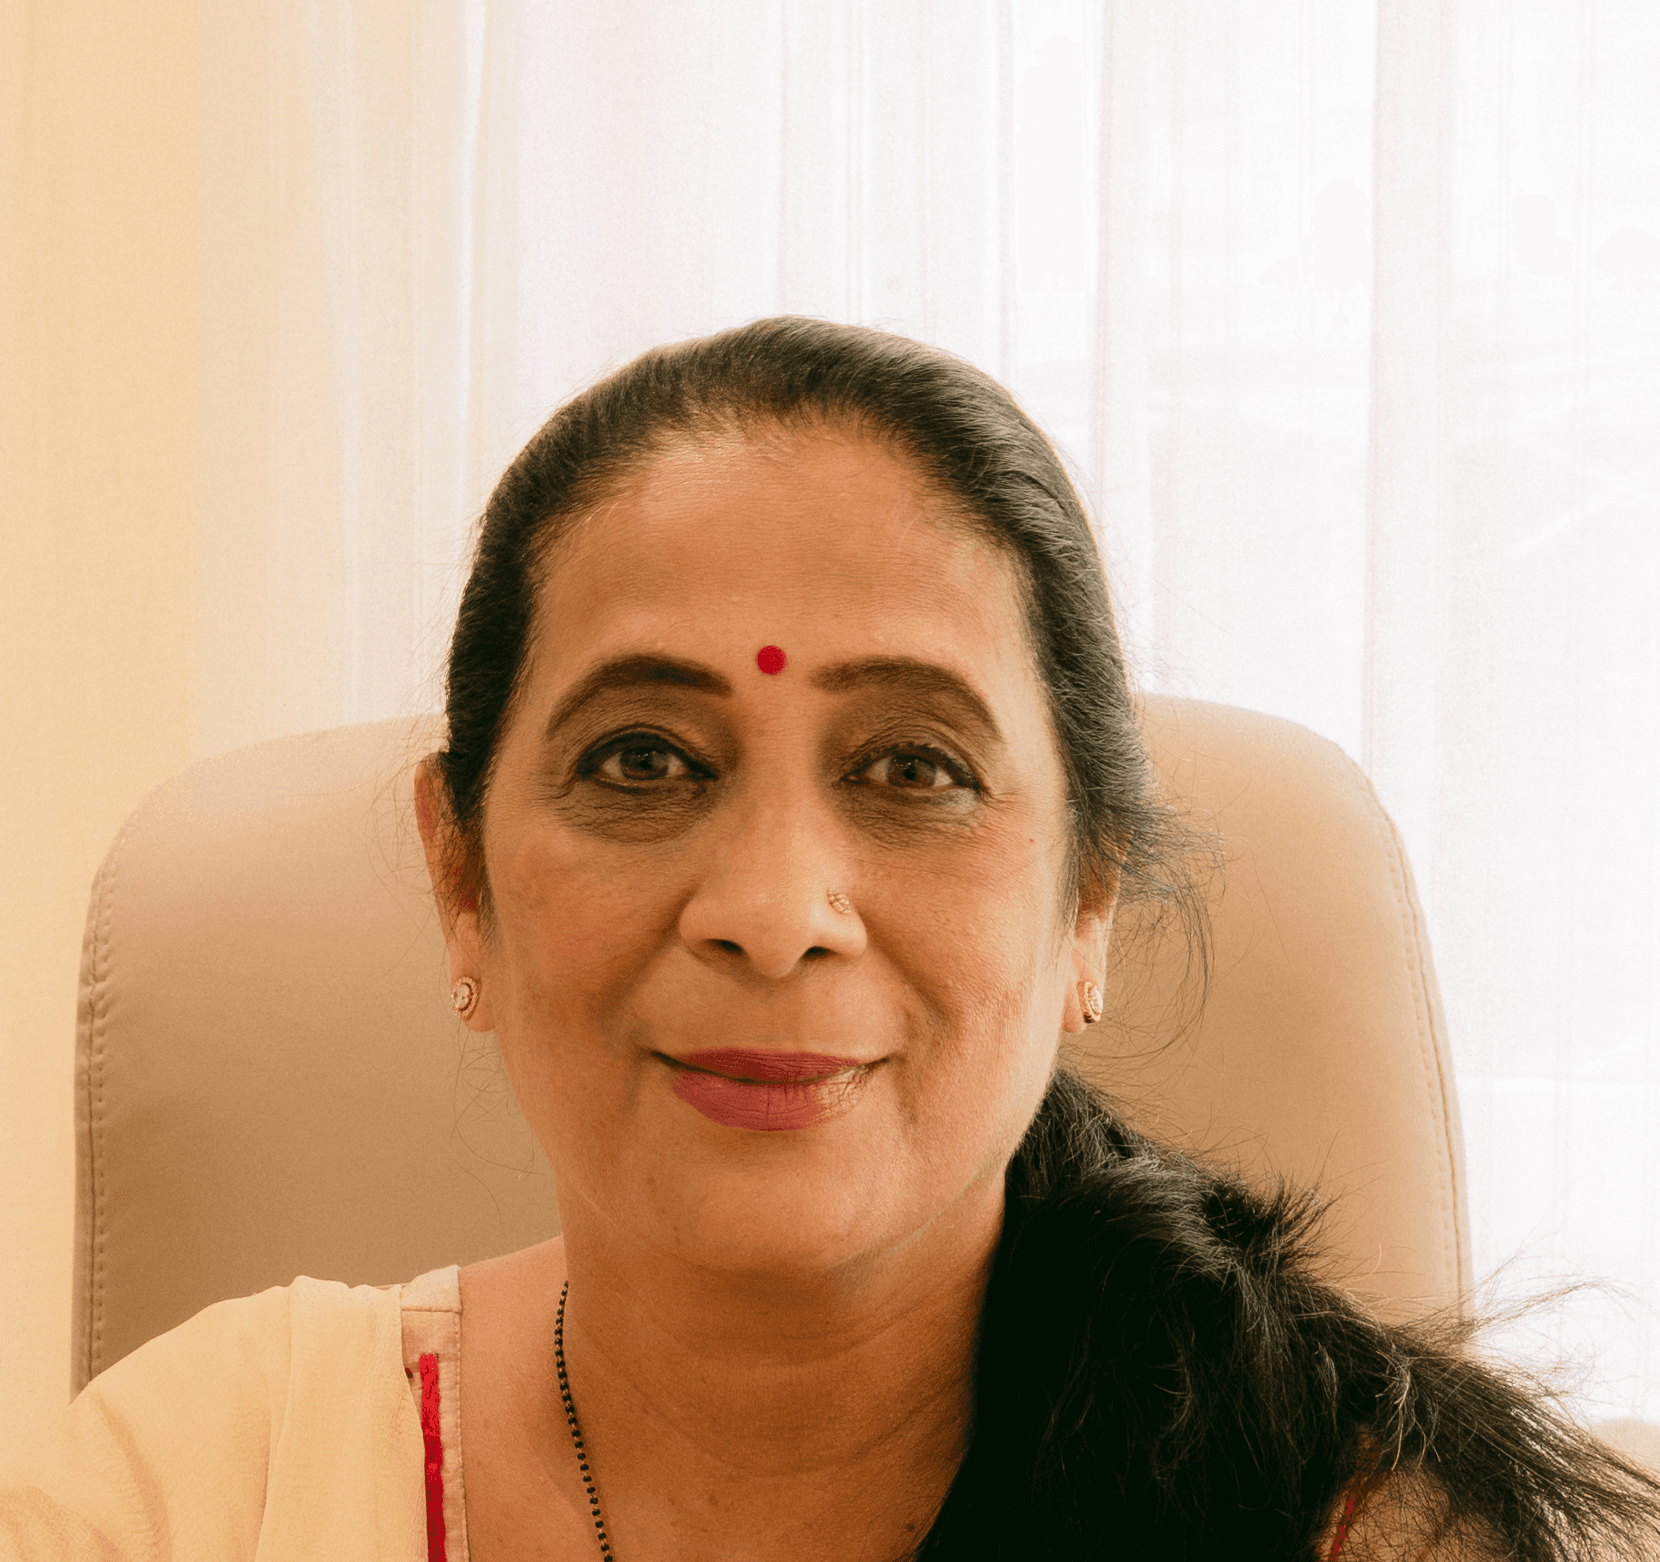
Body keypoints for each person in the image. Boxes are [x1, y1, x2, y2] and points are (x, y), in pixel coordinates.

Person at [4, 316, 1658, 1560]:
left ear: (1090, 898)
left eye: (913, 769)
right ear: (462, 878)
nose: (773, 911)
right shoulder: (207, 1482)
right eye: (642, 760)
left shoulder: (1356, 1526)